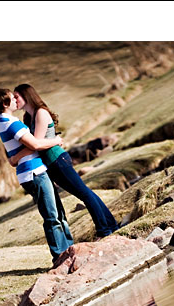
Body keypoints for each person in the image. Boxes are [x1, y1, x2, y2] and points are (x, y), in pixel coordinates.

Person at [10, 83, 119, 239]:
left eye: (16, 96)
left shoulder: (40, 113)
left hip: (58, 160)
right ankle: (111, 225)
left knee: (84, 194)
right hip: (51, 164)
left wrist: (16, 157)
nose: (14, 99)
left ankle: (104, 230)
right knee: (85, 193)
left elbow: (37, 144)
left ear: (26, 95)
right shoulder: (29, 116)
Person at [0, 88, 74, 266]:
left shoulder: (5, 121)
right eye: (13, 99)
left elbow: (20, 151)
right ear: (5, 104)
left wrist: (14, 158)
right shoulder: (10, 123)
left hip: (35, 171)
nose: (16, 101)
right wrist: (56, 141)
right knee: (52, 216)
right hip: (34, 173)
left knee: (58, 213)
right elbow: (35, 144)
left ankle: (70, 251)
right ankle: (60, 257)